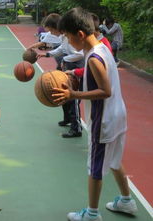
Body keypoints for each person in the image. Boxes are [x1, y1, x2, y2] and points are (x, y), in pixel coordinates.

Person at [54, 7, 138, 221]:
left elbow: (105, 91)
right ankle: (126, 201)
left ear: (80, 35)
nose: (69, 42)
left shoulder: (93, 58)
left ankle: (92, 213)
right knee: (115, 161)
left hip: (104, 121)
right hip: (118, 115)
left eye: (69, 37)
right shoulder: (103, 48)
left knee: (95, 168)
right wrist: (74, 75)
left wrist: (74, 94)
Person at [37, 13, 84, 138]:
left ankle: (76, 128)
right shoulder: (64, 37)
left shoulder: (70, 36)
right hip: (68, 67)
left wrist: (65, 60)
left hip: (75, 68)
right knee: (63, 93)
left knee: (73, 98)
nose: (51, 33)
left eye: (52, 30)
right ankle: (67, 118)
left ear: (57, 27)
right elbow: (61, 50)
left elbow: (79, 54)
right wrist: (47, 54)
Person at [65, 13, 112, 79]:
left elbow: (104, 88)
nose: (68, 42)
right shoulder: (98, 46)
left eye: (68, 37)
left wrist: (74, 72)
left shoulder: (96, 54)